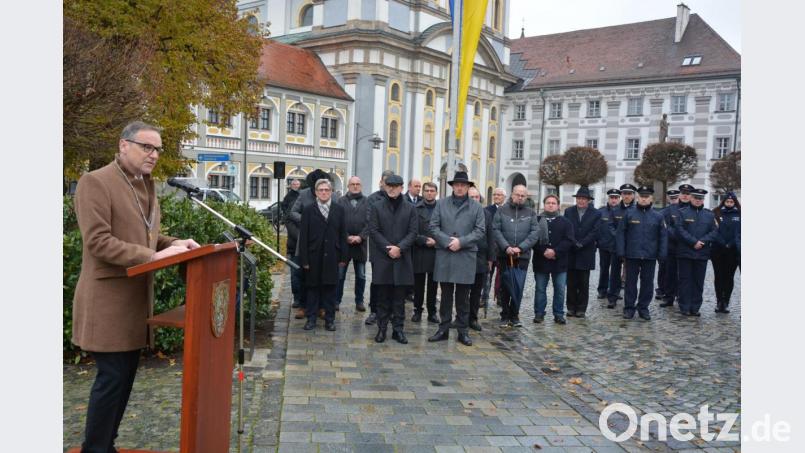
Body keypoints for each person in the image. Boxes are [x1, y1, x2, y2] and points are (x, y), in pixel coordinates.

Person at [73, 121, 201, 453]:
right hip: (107, 301)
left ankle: (105, 444)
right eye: (147, 147)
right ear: (123, 145)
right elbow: (98, 242)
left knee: (124, 378)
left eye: (157, 149)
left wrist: (175, 243)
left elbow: (145, 236)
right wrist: (154, 255)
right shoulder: (95, 182)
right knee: (112, 379)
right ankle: (94, 448)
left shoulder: (145, 184)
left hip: (135, 302)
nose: (154, 154)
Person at [428, 171, 486, 346]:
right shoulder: (441, 204)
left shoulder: (476, 207)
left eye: (463, 185)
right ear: (452, 186)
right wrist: (448, 242)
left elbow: (480, 230)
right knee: (445, 295)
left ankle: (463, 331)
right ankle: (443, 329)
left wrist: (461, 242)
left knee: (463, 298)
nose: (460, 188)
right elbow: (433, 226)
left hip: (465, 255)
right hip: (445, 254)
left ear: (468, 187)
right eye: (457, 185)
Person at [367, 174, 418, 343]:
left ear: (402, 188)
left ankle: (398, 330)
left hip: (402, 258)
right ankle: (382, 329)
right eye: (389, 185)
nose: (392, 188)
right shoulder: (377, 206)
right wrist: (388, 248)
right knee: (382, 297)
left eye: (395, 186)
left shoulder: (410, 208)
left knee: (399, 299)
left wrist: (399, 248)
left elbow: (413, 232)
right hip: (383, 258)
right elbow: (373, 230)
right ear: (384, 186)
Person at [298, 179, 348, 331]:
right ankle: (311, 319)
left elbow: (343, 234)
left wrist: (343, 257)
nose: (324, 192)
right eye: (321, 190)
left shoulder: (339, 210)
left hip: (332, 255)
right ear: (316, 192)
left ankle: (330, 320)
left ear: (331, 192)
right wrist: (304, 259)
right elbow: (303, 236)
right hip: (313, 256)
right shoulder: (308, 210)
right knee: (312, 289)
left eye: (327, 190)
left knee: (330, 290)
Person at [491, 184, 543, 327]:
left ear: (526, 197)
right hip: (504, 255)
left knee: (518, 285)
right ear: (512, 194)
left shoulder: (530, 213)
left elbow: (535, 233)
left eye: (523, 195)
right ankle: (504, 315)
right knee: (504, 286)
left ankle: (514, 315)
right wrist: (506, 247)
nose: (520, 197)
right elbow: (496, 230)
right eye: (517, 194)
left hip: (522, 256)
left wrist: (520, 248)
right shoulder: (502, 210)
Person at [616, 186, 668, 320]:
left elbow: (663, 237)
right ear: (638, 198)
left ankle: (643, 308)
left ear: (651, 198)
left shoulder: (658, 216)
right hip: (632, 254)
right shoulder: (629, 214)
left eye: (647, 197)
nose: (644, 199)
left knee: (647, 284)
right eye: (642, 196)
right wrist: (621, 251)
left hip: (650, 255)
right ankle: (629, 308)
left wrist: (662, 254)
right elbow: (621, 233)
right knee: (630, 283)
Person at [287, 169, 334, 319]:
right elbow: (293, 213)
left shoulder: (332, 195)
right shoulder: (303, 194)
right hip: (306, 242)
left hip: (325, 242)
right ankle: (303, 305)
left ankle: (321, 307)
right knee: (302, 275)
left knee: (323, 276)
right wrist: (307, 220)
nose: (322, 191)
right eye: (318, 188)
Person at [676, 188, 719, 316]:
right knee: (685, 281)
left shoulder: (709, 215)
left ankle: (695, 307)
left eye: (700, 198)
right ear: (691, 198)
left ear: (703, 200)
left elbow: (714, 231)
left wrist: (703, 241)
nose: (698, 200)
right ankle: (684, 306)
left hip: (702, 253)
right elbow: (679, 230)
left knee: (698, 281)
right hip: (685, 252)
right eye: (696, 198)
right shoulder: (682, 213)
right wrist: (693, 242)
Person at [533, 194, 575, 324]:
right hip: (541, 260)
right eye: (548, 203)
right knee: (540, 289)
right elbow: (532, 239)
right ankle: (539, 313)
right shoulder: (536, 220)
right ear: (544, 205)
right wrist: (543, 251)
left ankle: (558, 314)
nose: (550, 205)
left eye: (553, 203)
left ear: (558, 206)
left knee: (560, 289)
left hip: (559, 261)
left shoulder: (566, 222)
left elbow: (569, 240)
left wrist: (555, 251)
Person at [564, 187, 602, 318]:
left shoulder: (596, 213)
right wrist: (574, 242)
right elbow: (566, 229)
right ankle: (570, 307)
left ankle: (581, 309)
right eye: (579, 198)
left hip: (586, 252)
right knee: (571, 282)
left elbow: (595, 232)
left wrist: (582, 243)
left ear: (588, 200)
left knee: (584, 283)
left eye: (583, 199)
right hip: (571, 251)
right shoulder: (568, 211)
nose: (581, 201)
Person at [364, 170, 395, 325]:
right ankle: (374, 311)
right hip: (378, 247)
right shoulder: (372, 199)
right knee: (377, 280)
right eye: (386, 181)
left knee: (393, 280)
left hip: (395, 247)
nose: (389, 185)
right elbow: (371, 222)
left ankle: (391, 311)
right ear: (381, 182)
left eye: (391, 182)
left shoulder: (399, 199)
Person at [335, 176, 369, 312]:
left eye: (357, 184)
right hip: (344, 246)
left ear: (361, 186)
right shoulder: (340, 201)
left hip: (361, 246)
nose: (355, 186)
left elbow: (370, 222)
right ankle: (336, 300)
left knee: (361, 275)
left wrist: (361, 237)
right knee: (340, 275)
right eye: (352, 184)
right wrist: (346, 237)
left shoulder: (367, 202)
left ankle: (359, 301)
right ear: (348, 186)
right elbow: (337, 221)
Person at [660, 184, 694, 307]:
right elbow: (665, 226)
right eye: (683, 193)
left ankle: (682, 297)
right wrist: (678, 235)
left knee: (685, 275)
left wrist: (687, 238)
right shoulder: (670, 209)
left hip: (688, 247)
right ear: (679, 194)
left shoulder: (694, 209)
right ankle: (669, 297)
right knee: (670, 273)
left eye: (688, 194)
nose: (685, 196)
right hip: (673, 246)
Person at [467, 187, 496, 331]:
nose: (474, 200)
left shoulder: (486, 214)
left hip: (480, 258)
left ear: (480, 199)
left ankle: (473, 318)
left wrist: (491, 258)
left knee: (476, 291)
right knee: (462, 291)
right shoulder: (462, 212)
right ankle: (460, 317)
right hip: (464, 256)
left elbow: (491, 236)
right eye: (471, 197)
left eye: (476, 197)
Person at [412, 182, 440, 323]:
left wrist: (437, 241)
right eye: (427, 190)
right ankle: (417, 310)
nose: (429, 193)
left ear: (436, 192)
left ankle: (432, 312)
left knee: (433, 285)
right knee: (418, 284)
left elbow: (445, 229)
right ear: (423, 192)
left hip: (436, 252)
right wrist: (423, 240)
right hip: (420, 251)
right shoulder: (415, 209)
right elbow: (411, 231)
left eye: (432, 190)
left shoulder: (441, 209)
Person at [606, 183, 637, 308]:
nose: (627, 196)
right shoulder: (615, 210)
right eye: (624, 194)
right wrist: (619, 237)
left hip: (631, 247)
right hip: (616, 246)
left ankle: (629, 301)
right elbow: (610, 226)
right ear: (621, 195)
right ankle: (612, 297)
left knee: (630, 275)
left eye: (629, 194)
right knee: (614, 273)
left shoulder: (637, 210)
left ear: (633, 195)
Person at [711, 192, 741, 313]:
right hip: (718, 250)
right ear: (723, 202)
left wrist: (731, 243)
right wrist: (723, 242)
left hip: (733, 251)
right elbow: (714, 230)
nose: (729, 203)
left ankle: (726, 302)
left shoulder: (740, 214)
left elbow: (740, 232)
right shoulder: (716, 212)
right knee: (718, 276)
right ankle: (719, 302)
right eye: (727, 201)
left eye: (731, 202)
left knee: (729, 277)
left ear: (735, 202)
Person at [483, 187, 507, 308]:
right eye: (495, 195)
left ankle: (500, 297)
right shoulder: (487, 210)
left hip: (503, 248)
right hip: (490, 248)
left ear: (504, 197)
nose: (496, 196)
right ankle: (484, 298)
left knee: (502, 275)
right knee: (487, 274)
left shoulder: (508, 210)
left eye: (499, 195)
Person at [282, 178, 303, 311]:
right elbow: (289, 222)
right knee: (295, 274)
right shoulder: (290, 201)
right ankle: (297, 298)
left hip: (307, 246)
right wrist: (303, 237)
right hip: (294, 246)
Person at [596, 189, 621, 299]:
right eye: (612, 197)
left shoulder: (623, 211)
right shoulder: (601, 212)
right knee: (604, 269)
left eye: (616, 198)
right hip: (604, 246)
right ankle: (602, 290)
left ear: (619, 199)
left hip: (617, 246)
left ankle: (615, 291)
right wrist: (598, 242)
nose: (614, 200)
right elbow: (596, 228)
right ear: (608, 198)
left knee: (616, 270)